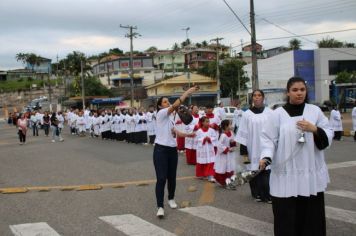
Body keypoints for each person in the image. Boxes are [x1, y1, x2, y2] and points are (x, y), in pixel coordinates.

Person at [259, 77, 333, 236]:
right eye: (295, 90)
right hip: (286, 175)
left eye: (302, 90)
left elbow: (328, 132)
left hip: (309, 173)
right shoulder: (277, 114)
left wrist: (314, 129)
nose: (299, 93)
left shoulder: (315, 111)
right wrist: (266, 157)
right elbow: (268, 139)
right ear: (288, 92)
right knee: (286, 216)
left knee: (311, 217)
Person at [153, 86, 198, 218]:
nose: (168, 103)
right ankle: (160, 206)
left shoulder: (171, 118)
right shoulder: (161, 114)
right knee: (161, 179)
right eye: (165, 102)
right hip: (160, 150)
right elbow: (176, 105)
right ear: (160, 106)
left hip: (172, 150)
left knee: (172, 177)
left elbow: (176, 132)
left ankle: (171, 199)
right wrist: (187, 92)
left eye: (168, 101)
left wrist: (189, 135)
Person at [235, 89, 273, 203]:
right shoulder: (247, 114)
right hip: (252, 147)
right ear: (252, 98)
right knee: (253, 171)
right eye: (255, 95)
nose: (257, 97)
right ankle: (256, 194)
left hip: (266, 147)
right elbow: (242, 134)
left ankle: (267, 194)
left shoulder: (270, 113)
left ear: (263, 97)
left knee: (266, 171)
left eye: (259, 95)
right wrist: (244, 153)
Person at [214, 119, 237, 189]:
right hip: (224, 155)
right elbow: (219, 145)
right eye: (230, 124)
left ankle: (229, 182)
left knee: (230, 167)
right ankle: (224, 182)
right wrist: (227, 149)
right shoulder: (223, 135)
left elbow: (232, 141)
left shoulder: (231, 133)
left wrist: (233, 144)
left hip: (230, 155)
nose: (231, 125)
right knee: (224, 168)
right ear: (225, 126)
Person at [195, 116, 217, 182]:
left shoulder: (212, 130)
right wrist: (203, 139)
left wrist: (210, 139)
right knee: (202, 161)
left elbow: (215, 137)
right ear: (202, 122)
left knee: (211, 161)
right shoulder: (199, 131)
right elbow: (197, 140)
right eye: (206, 122)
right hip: (202, 149)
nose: (208, 123)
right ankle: (202, 174)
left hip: (209, 148)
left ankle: (210, 175)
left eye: (208, 121)